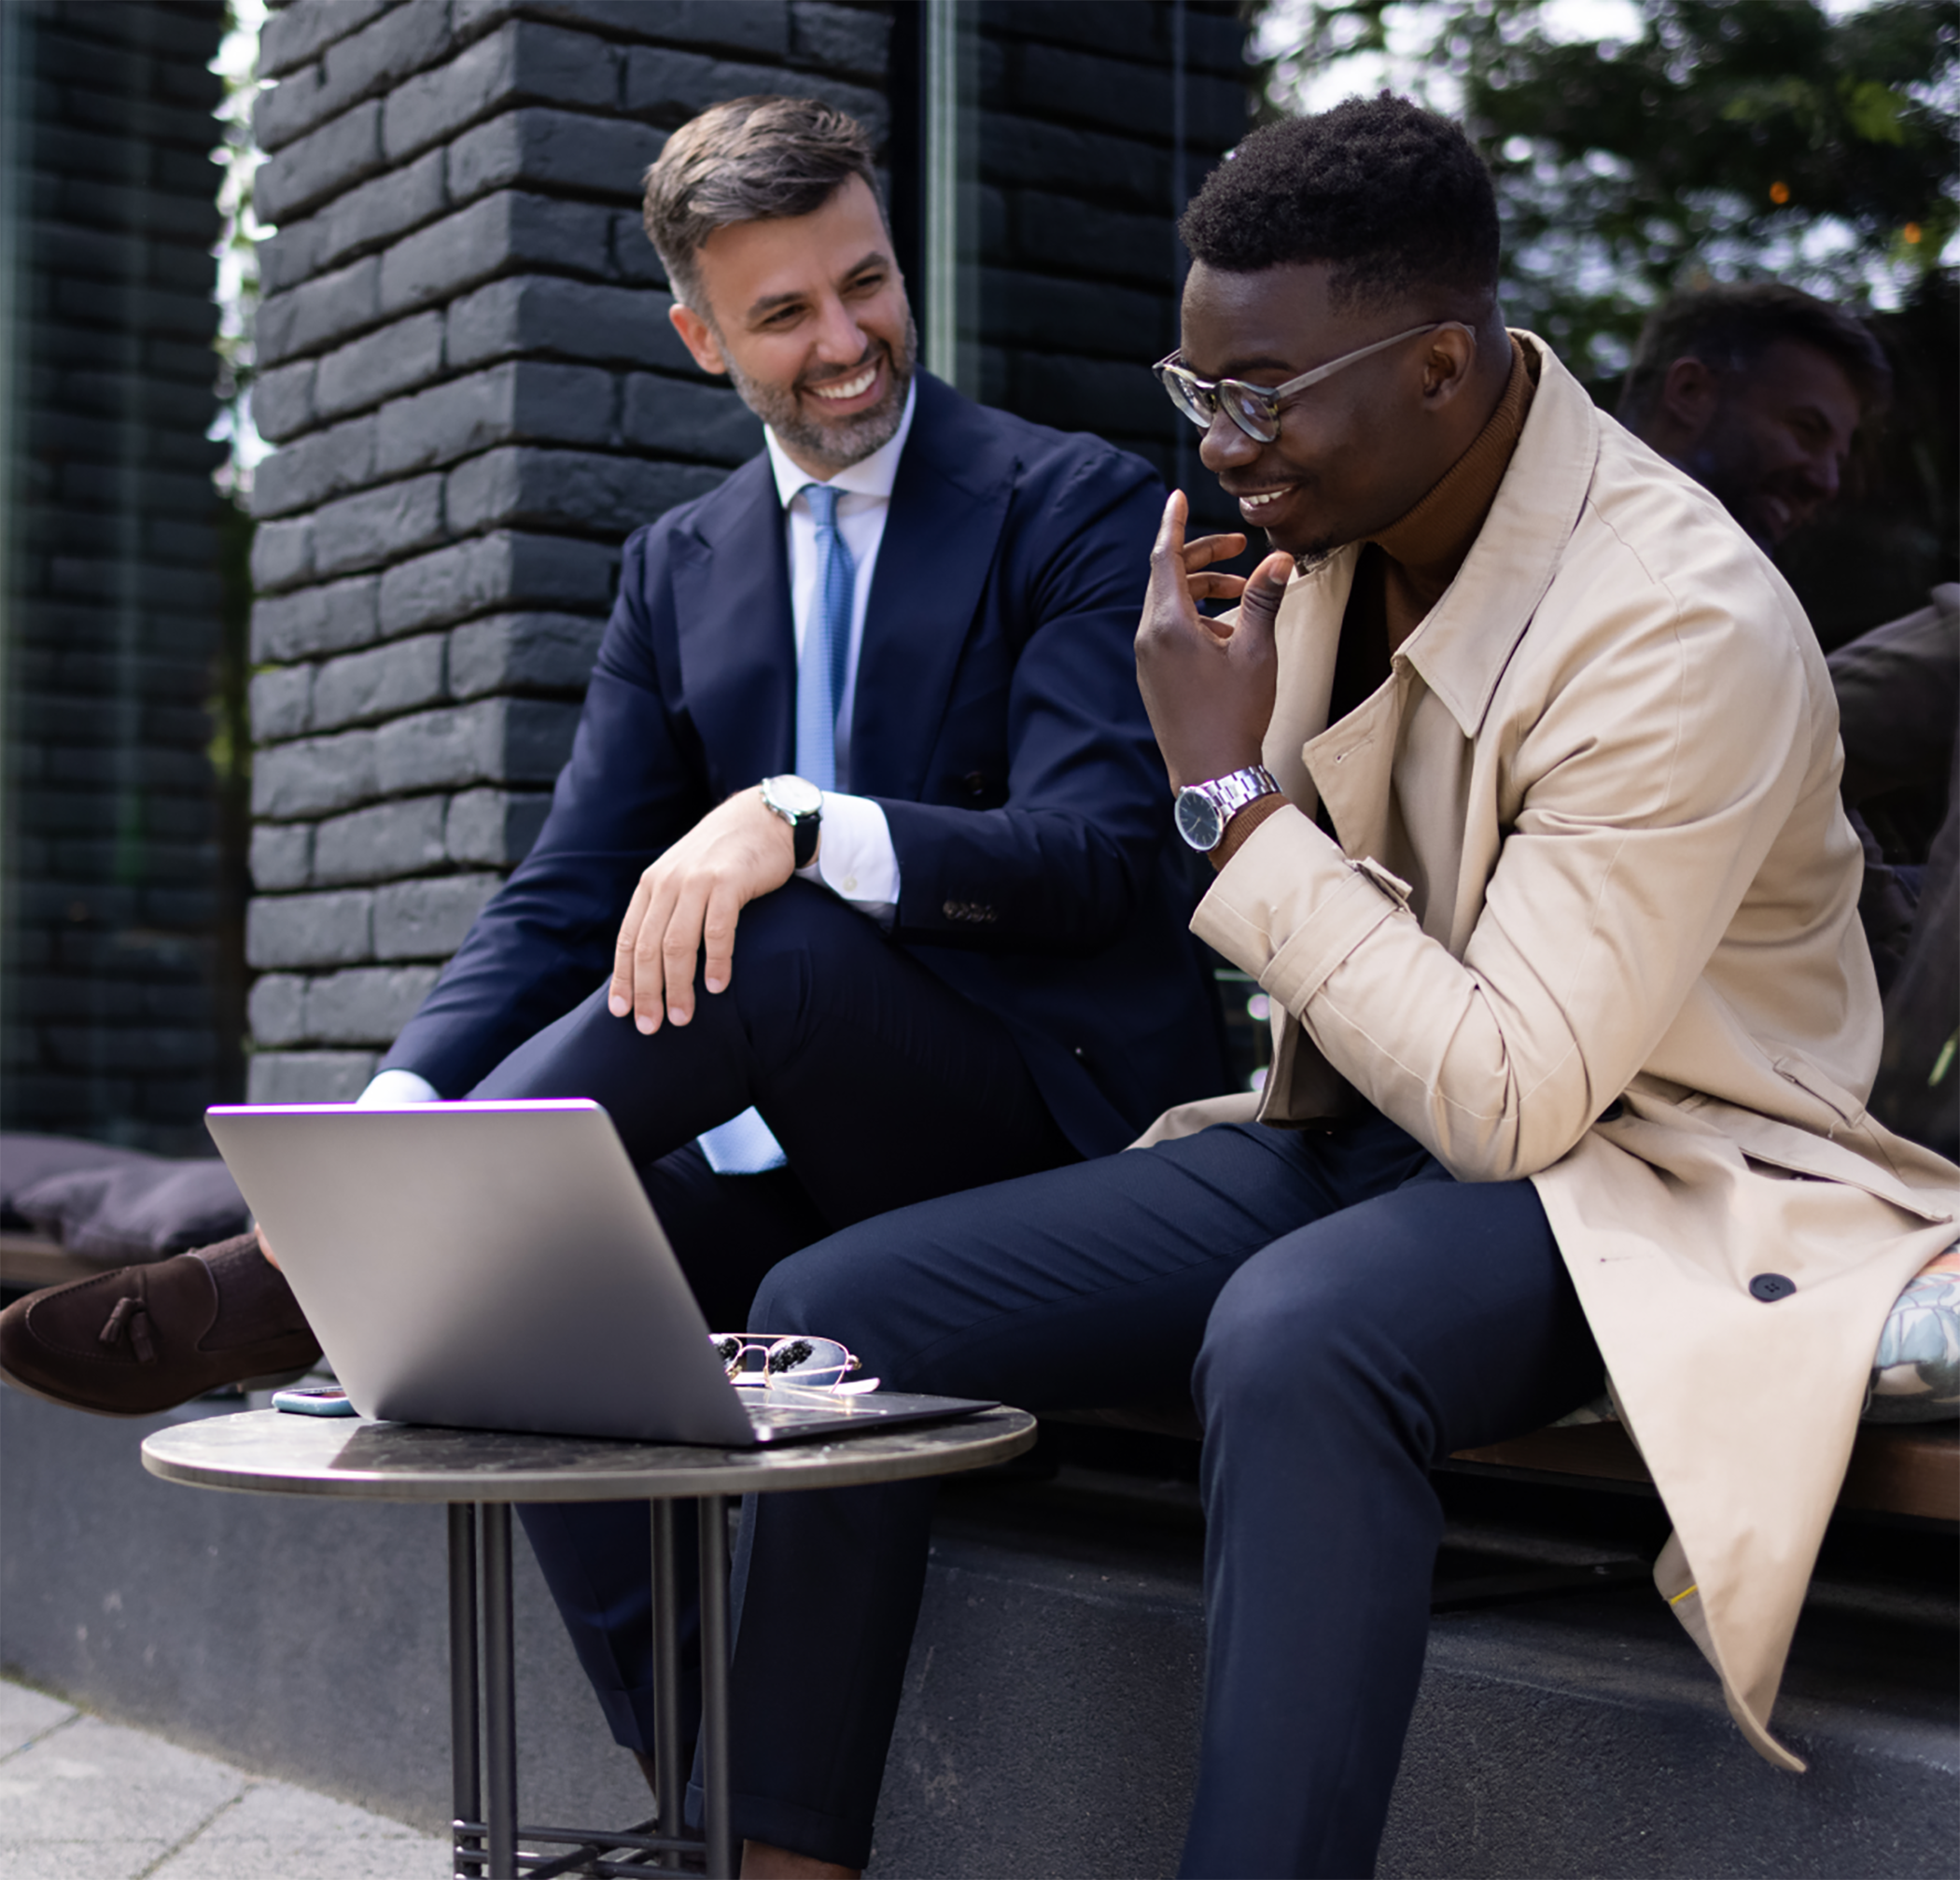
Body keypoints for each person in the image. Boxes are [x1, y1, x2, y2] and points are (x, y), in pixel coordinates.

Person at [700, 97, 1960, 1880]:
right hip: (1367, 1122)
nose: (1220, 445)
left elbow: (1523, 1093)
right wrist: (1241, 757)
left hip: (1655, 1165)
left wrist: (1225, 796)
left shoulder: (1680, 620)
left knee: (1303, 1335)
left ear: (1441, 367)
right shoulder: (1340, 536)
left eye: (1262, 394)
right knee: (837, 1309)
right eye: (1199, 387)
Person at [0, 94, 1224, 1781]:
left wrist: (798, 822)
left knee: (775, 935)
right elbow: (569, 892)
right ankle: (703, 1806)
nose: (848, 338)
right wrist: (391, 1126)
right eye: (784, 312)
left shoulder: (1072, 503)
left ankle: (298, 1282)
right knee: (528, 1300)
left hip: (1038, 1118)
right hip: (799, 1147)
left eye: (865, 281)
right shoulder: (677, 567)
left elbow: (1101, 863)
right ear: (697, 333)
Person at [1616, 285, 1959, 1157]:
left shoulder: (1741, 620)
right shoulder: (1539, 578)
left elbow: (1807, 760)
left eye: (1840, 452)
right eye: (1808, 431)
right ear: (1691, 392)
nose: (1829, 480)